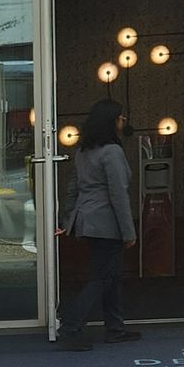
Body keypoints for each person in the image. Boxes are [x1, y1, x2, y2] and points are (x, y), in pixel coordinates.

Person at [56, 99, 136, 349]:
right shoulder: (112, 152)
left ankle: (115, 327)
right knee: (102, 277)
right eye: (121, 118)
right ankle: (71, 326)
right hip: (106, 222)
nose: (123, 122)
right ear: (113, 122)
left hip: (87, 221)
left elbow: (73, 188)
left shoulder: (83, 150)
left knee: (110, 277)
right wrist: (129, 232)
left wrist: (69, 219)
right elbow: (118, 194)